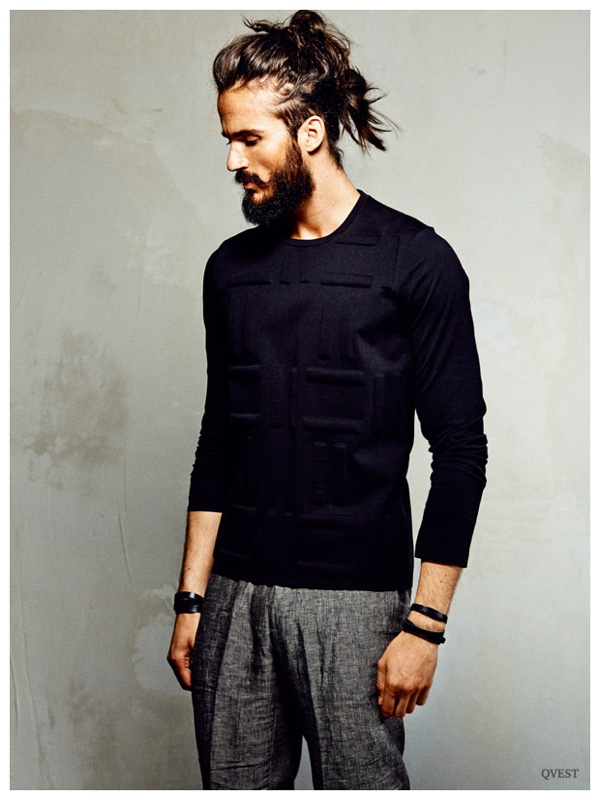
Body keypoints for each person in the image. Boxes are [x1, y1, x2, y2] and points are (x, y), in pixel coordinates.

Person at [168, 10, 487, 790]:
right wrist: (192, 599)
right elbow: (220, 440)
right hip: (233, 598)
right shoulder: (230, 270)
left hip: (356, 604)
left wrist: (426, 625)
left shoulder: (415, 261)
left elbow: (461, 453)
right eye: (228, 140)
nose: (233, 159)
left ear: (309, 131)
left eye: (250, 139)